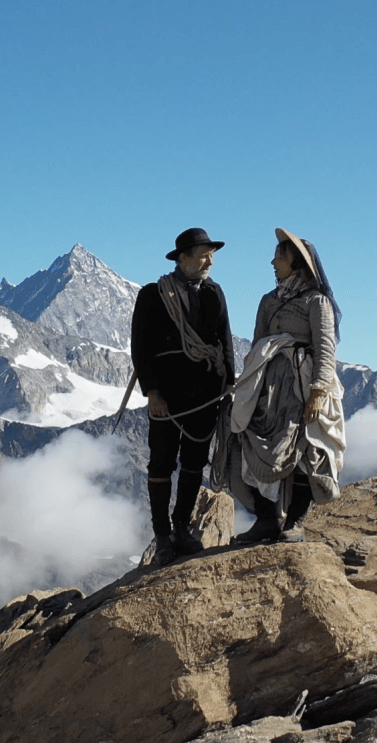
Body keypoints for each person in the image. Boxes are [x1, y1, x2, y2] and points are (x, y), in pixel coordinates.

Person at [214, 228, 346, 543]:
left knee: (304, 450)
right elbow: (258, 342)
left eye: (278, 256)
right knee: (242, 436)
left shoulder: (317, 301)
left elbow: (325, 348)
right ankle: (266, 519)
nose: (272, 262)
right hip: (264, 386)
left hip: (301, 386)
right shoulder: (268, 301)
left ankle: (295, 522)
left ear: (295, 262)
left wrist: (318, 391)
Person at [130, 226, 235, 559]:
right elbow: (140, 348)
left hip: (205, 392)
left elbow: (225, 342)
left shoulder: (214, 294)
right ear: (183, 258)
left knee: (194, 462)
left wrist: (229, 384)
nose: (209, 262)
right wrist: (152, 393)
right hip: (168, 396)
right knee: (160, 464)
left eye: (212, 256)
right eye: (204, 255)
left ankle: (182, 528)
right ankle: (162, 537)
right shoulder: (153, 295)